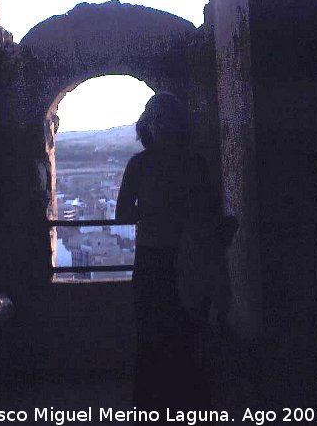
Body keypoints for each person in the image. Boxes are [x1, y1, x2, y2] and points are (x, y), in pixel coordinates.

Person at [116, 92, 221, 409]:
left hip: (152, 259)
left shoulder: (139, 165)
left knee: (151, 335)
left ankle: (151, 404)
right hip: (190, 259)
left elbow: (123, 214)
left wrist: (152, 212)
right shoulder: (196, 164)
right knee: (188, 332)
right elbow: (211, 210)